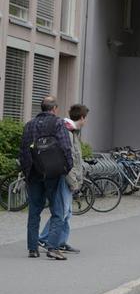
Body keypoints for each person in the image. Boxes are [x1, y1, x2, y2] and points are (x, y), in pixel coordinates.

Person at [19, 96, 73, 260]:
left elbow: (23, 151)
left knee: (34, 211)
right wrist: (66, 168)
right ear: (54, 108)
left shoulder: (29, 125)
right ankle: (52, 248)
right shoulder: (58, 123)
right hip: (53, 173)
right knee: (57, 211)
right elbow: (65, 147)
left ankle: (32, 249)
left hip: (34, 173)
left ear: (41, 108)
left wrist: (27, 171)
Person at [39, 104, 88, 255]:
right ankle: (45, 238)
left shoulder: (71, 130)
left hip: (68, 177)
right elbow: (68, 158)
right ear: (82, 117)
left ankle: (59, 241)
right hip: (65, 178)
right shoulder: (67, 130)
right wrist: (73, 181)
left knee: (67, 212)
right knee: (63, 212)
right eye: (86, 118)